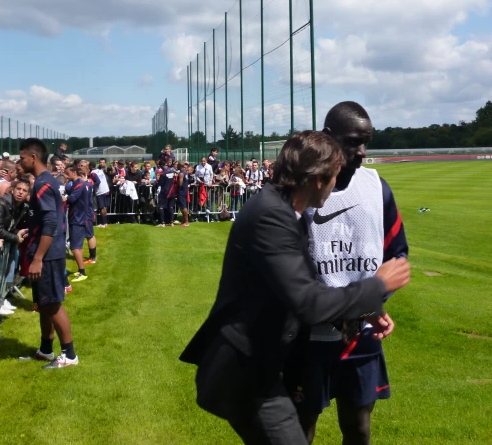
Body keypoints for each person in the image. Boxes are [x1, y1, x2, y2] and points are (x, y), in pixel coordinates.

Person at [180, 131, 411, 445]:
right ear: (317, 180)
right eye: (334, 179)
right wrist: (377, 285)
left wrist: (362, 310)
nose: (337, 187)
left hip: (262, 368)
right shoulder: (271, 218)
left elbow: (297, 292)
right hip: (243, 373)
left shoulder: (286, 211)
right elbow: (307, 302)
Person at [282, 102, 409, 445]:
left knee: (358, 427)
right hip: (307, 339)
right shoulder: (301, 192)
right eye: (353, 142)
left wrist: (371, 306)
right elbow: (287, 270)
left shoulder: (376, 187)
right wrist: (345, 310)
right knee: (300, 430)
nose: (361, 153)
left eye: (366, 142)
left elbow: (397, 256)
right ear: (328, 137)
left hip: (361, 335)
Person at [20, 138, 78, 369]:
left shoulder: (44, 183)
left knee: (52, 303)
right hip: (45, 251)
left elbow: (50, 221)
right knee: (43, 303)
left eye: (22, 157)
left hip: (48, 254)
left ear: (33, 157)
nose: (19, 161)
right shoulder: (44, 182)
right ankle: (46, 349)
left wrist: (38, 258)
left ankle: (69, 355)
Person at [64, 166, 92, 281]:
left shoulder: (80, 184)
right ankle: (81, 270)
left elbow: (72, 198)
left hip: (78, 218)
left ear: (74, 173)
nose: (66, 176)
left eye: (67, 173)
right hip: (77, 217)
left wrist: (64, 198)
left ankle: (82, 272)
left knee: (75, 247)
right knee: (77, 246)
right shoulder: (76, 183)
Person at [156, 157, 177, 227]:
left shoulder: (163, 174)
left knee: (161, 207)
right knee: (171, 207)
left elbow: (160, 184)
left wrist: (157, 180)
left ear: (161, 165)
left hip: (164, 192)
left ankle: (163, 223)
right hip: (172, 192)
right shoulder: (172, 171)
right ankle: (171, 222)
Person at [89, 161, 109, 228]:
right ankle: (105, 222)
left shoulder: (93, 173)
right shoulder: (99, 171)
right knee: (104, 207)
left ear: (91, 167)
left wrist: (92, 188)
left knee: (101, 207)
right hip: (105, 189)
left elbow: (98, 181)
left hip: (100, 191)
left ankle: (103, 223)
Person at [176, 161, 190, 227]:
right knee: (182, 206)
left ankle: (187, 222)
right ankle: (184, 220)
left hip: (181, 191)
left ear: (180, 166)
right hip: (184, 190)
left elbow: (180, 183)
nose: (176, 166)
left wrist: (176, 182)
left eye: (177, 165)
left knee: (183, 206)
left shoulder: (181, 173)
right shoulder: (185, 172)